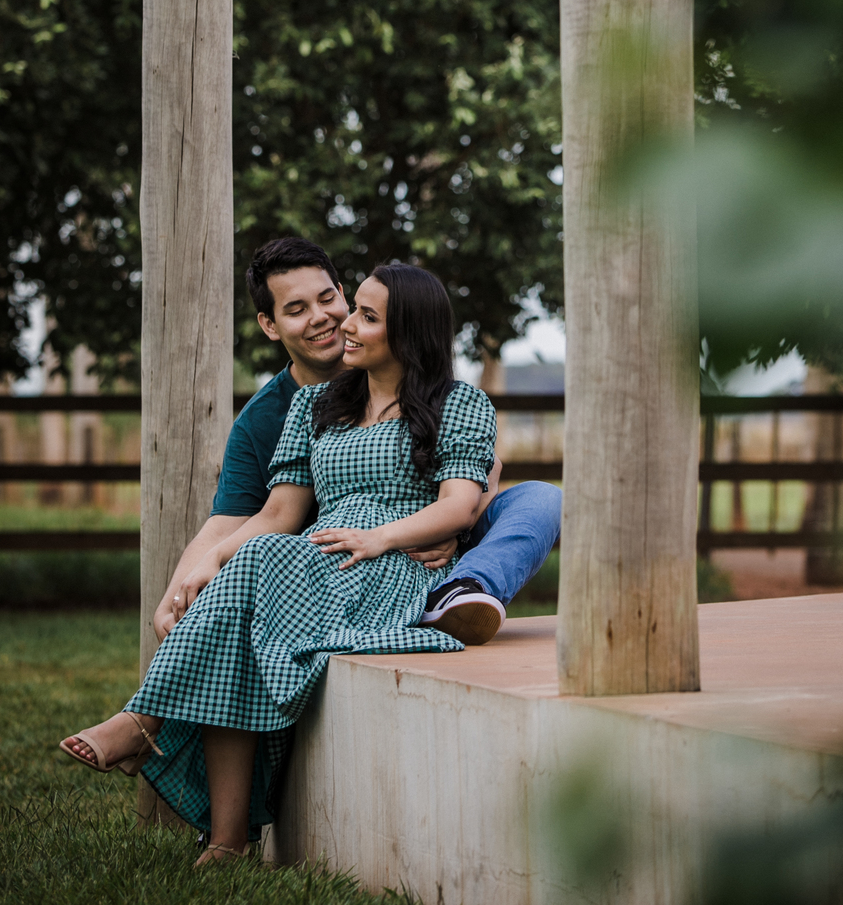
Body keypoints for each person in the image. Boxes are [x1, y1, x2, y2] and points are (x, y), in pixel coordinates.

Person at [60, 261, 523, 863]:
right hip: (317, 558)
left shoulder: (459, 403)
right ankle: (227, 841)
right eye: (355, 310)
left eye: (365, 316)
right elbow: (279, 512)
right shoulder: (315, 406)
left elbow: (459, 504)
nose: (345, 325)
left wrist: (379, 538)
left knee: (260, 570)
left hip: (396, 567)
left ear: (408, 332)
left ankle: (145, 722)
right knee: (240, 616)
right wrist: (208, 563)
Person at [153, 236, 561, 646]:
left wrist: (448, 524)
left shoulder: (425, 387)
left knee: (542, 498)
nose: (322, 318)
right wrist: (176, 595)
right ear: (270, 325)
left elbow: (480, 474)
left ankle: (461, 589)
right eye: (296, 310)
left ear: (342, 293)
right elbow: (235, 520)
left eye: (327, 299)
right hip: (334, 558)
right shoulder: (269, 418)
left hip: (432, 531)